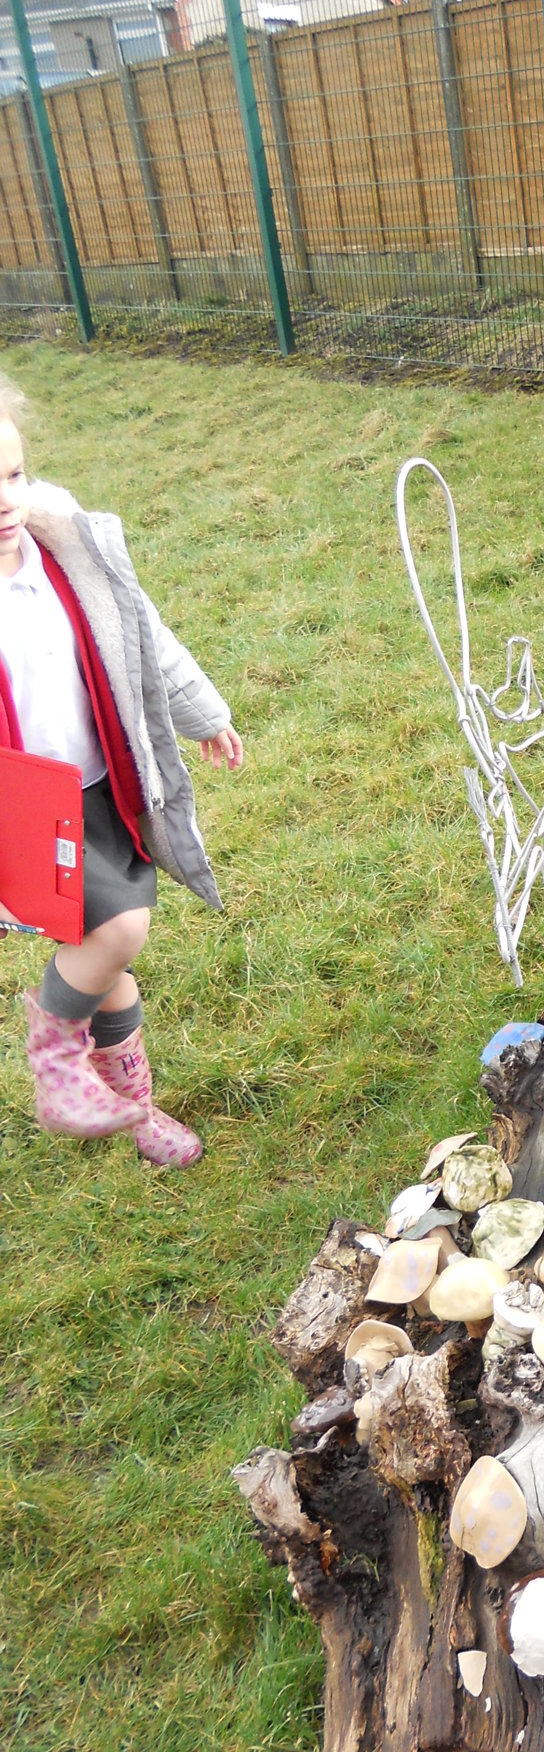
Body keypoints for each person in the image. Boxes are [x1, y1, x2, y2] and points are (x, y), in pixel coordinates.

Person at [0, 383, 241, 1166]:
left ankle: (132, 1114)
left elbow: (145, 638)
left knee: (111, 970)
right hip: (28, 815)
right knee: (119, 929)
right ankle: (54, 1063)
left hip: (103, 787)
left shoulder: (69, 552)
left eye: (13, 476)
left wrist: (202, 712)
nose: (7, 502)